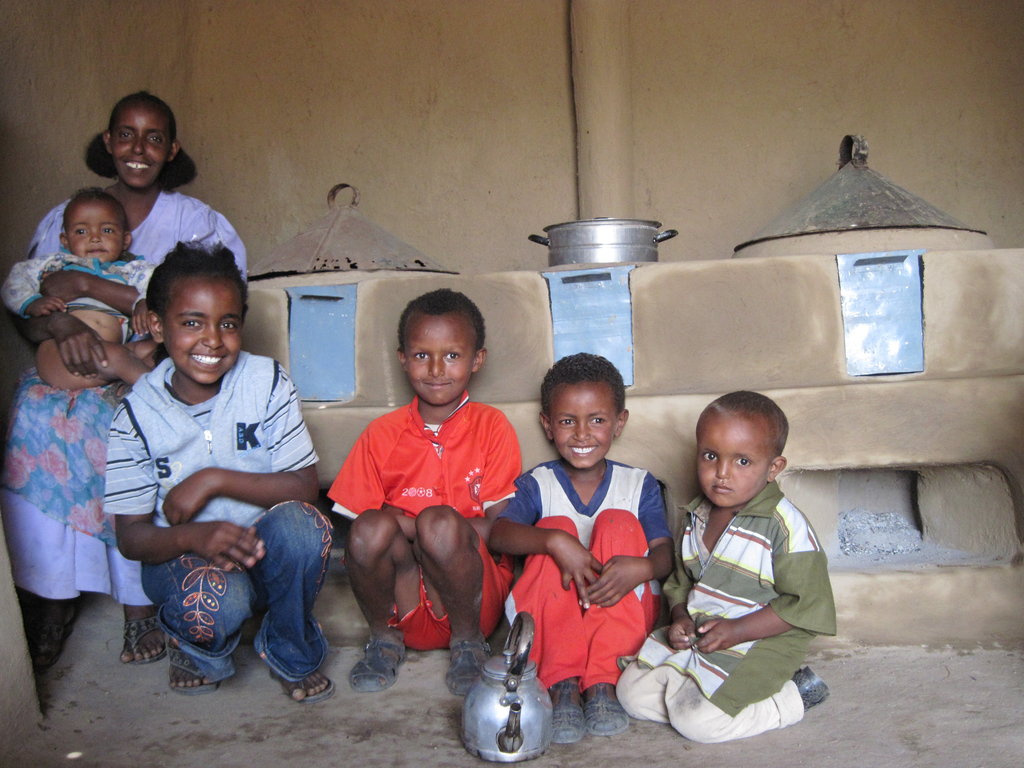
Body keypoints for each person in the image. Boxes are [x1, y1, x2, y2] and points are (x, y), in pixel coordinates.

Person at [1, 90, 247, 671]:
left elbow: (219, 307)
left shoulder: (198, 222)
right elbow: (30, 299)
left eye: (154, 137)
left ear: (172, 149)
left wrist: (130, 329)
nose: (139, 149)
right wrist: (62, 326)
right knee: (37, 414)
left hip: (153, 362)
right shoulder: (64, 217)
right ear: (108, 142)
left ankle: (138, 605)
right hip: (70, 359)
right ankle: (49, 599)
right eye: (127, 135)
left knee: (131, 422)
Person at [105, 243, 333, 702]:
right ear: (155, 323)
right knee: (214, 598)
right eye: (192, 322)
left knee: (306, 526)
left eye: (228, 323)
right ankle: (197, 650)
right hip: (183, 557)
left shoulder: (265, 381)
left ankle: (289, 646)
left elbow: (304, 486)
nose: (212, 339)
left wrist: (213, 479)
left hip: (260, 547)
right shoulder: (135, 415)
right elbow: (131, 538)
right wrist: (195, 538)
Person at [327, 288, 521, 695]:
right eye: (421, 355)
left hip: (472, 603)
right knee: (371, 528)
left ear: (477, 360)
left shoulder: (492, 426)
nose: (436, 369)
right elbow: (364, 533)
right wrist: (416, 530)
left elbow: (500, 528)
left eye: (452, 355)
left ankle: (469, 644)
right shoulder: (382, 434)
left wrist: (420, 527)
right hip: (403, 598)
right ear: (402, 359)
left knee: (437, 522)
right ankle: (383, 639)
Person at [616, 391, 837, 743]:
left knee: (699, 725)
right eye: (710, 456)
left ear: (773, 468)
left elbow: (807, 606)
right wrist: (680, 619)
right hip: (705, 633)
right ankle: (696, 692)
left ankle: (792, 696)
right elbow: (680, 580)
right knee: (630, 694)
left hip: (762, 638)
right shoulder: (697, 515)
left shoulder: (784, 526)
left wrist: (737, 630)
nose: (721, 474)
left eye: (743, 462)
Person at [488, 353, 673, 743]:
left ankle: (603, 682)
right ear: (548, 425)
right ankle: (563, 683)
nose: (582, 433)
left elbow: (664, 554)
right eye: (567, 421)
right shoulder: (539, 483)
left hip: (620, 607)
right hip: (558, 616)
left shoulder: (640, 485)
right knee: (553, 527)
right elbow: (499, 534)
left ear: (619, 423)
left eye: (598, 420)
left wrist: (642, 568)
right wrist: (554, 541)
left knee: (618, 523)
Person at [2, 187, 157, 390]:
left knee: (155, 350)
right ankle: (164, 401)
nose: (95, 238)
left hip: (112, 351)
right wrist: (30, 303)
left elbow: (158, 284)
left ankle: (131, 378)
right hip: (62, 354)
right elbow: (15, 280)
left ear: (125, 240)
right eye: (81, 231)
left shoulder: (132, 270)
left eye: (107, 230)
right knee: (121, 358)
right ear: (65, 241)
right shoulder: (56, 264)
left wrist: (144, 301)